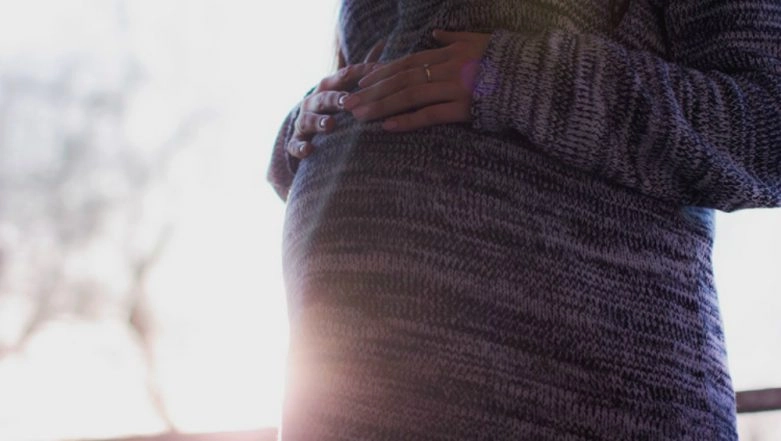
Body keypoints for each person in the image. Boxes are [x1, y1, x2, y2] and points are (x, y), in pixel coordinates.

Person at [268, 0, 781, 439]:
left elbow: (767, 125)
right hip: (347, 382)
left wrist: (512, 76)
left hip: (584, 388)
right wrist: (308, 126)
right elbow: (386, 83)